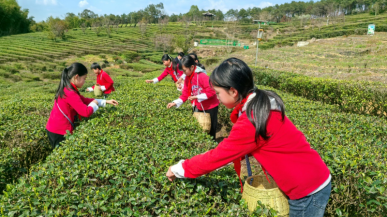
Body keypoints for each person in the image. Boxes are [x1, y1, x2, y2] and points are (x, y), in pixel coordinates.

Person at [166, 58, 331, 217]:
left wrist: (180, 168)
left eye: (218, 93)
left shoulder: (252, 118)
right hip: (310, 177)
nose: (217, 98)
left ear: (233, 91)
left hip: (307, 189)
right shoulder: (260, 104)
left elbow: (220, 155)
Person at [46, 63, 118, 149]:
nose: (84, 81)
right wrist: (94, 104)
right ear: (76, 77)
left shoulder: (68, 88)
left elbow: (84, 100)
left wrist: (105, 101)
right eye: (84, 78)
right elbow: (86, 112)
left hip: (55, 129)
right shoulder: (70, 92)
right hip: (59, 131)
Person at [167, 55, 219, 140]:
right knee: (201, 129)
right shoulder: (188, 78)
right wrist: (175, 102)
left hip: (211, 106)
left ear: (192, 67)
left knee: (211, 130)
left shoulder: (202, 76)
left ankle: (212, 148)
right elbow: (185, 94)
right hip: (199, 106)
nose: (184, 73)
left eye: (184, 70)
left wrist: (196, 97)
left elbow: (211, 92)